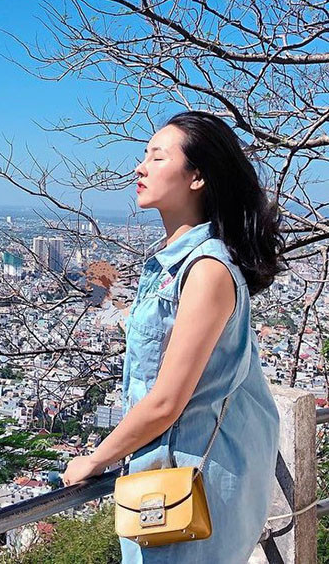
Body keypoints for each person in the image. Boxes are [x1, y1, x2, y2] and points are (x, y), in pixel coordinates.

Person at [61, 110, 283, 563]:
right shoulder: (173, 266)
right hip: (166, 480)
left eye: (157, 157)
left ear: (197, 177)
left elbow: (166, 401)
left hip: (190, 488)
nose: (140, 167)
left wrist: (95, 459)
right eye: (145, 155)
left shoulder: (207, 271)